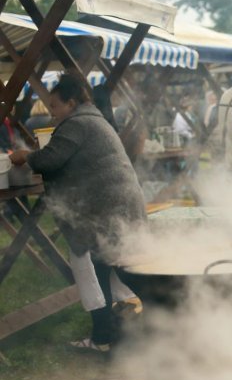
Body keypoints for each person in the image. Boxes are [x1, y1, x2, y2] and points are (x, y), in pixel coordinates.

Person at [9, 71, 146, 353]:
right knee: (114, 267)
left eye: (55, 107)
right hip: (117, 206)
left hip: (106, 209)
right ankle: (129, 329)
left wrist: (25, 157)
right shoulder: (92, 118)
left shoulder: (78, 123)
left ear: (71, 103)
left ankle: (104, 338)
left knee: (96, 271)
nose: (53, 113)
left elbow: (51, 159)